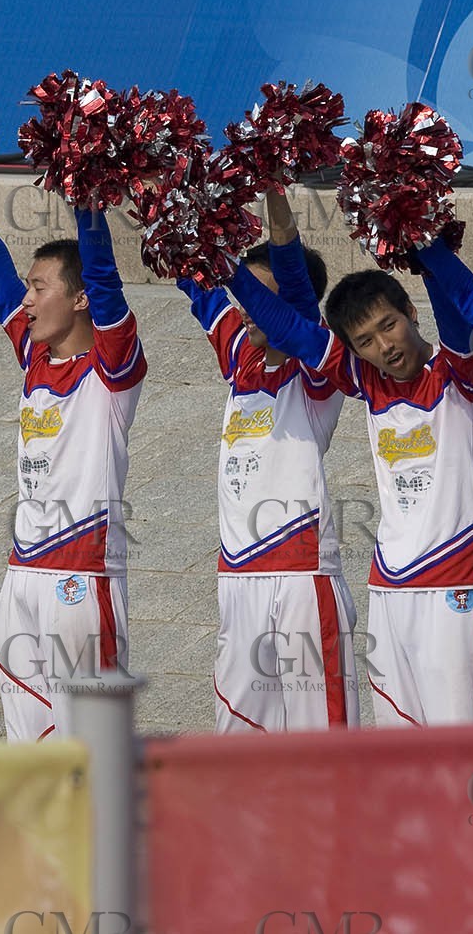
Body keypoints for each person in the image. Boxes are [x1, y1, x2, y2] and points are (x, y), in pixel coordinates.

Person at [226, 246, 473, 726]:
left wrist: (426, 246)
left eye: (389, 325)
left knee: (463, 749)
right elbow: (289, 329)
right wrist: (222, 265)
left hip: (454, 584)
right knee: (396, 751)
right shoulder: (366, 379)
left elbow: (458, 309)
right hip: (387, 591)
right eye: (366, 341)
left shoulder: (459, 372)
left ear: (412, 313)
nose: (385, 347)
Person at [0, 151, 146, 741]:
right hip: (21, 574)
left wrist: (85, 193)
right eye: (28, 289)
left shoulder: (112, 369)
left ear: (79, 300)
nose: (26, 300)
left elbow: (104, 281)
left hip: (81, 575)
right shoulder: (33, 356)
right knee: (25, 743)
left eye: (40, 287)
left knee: (91, 746)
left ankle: (102, 835)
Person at [179, 189, 358, 732]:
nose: (249, 306)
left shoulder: (317, 364)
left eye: (264, 296)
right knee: (239, 742)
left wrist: (274, 191)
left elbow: (292, 283)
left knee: (318, 743)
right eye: (247, 294)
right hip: (237, 576)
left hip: (301, 573)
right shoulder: (240, 354)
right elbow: (191, 276)